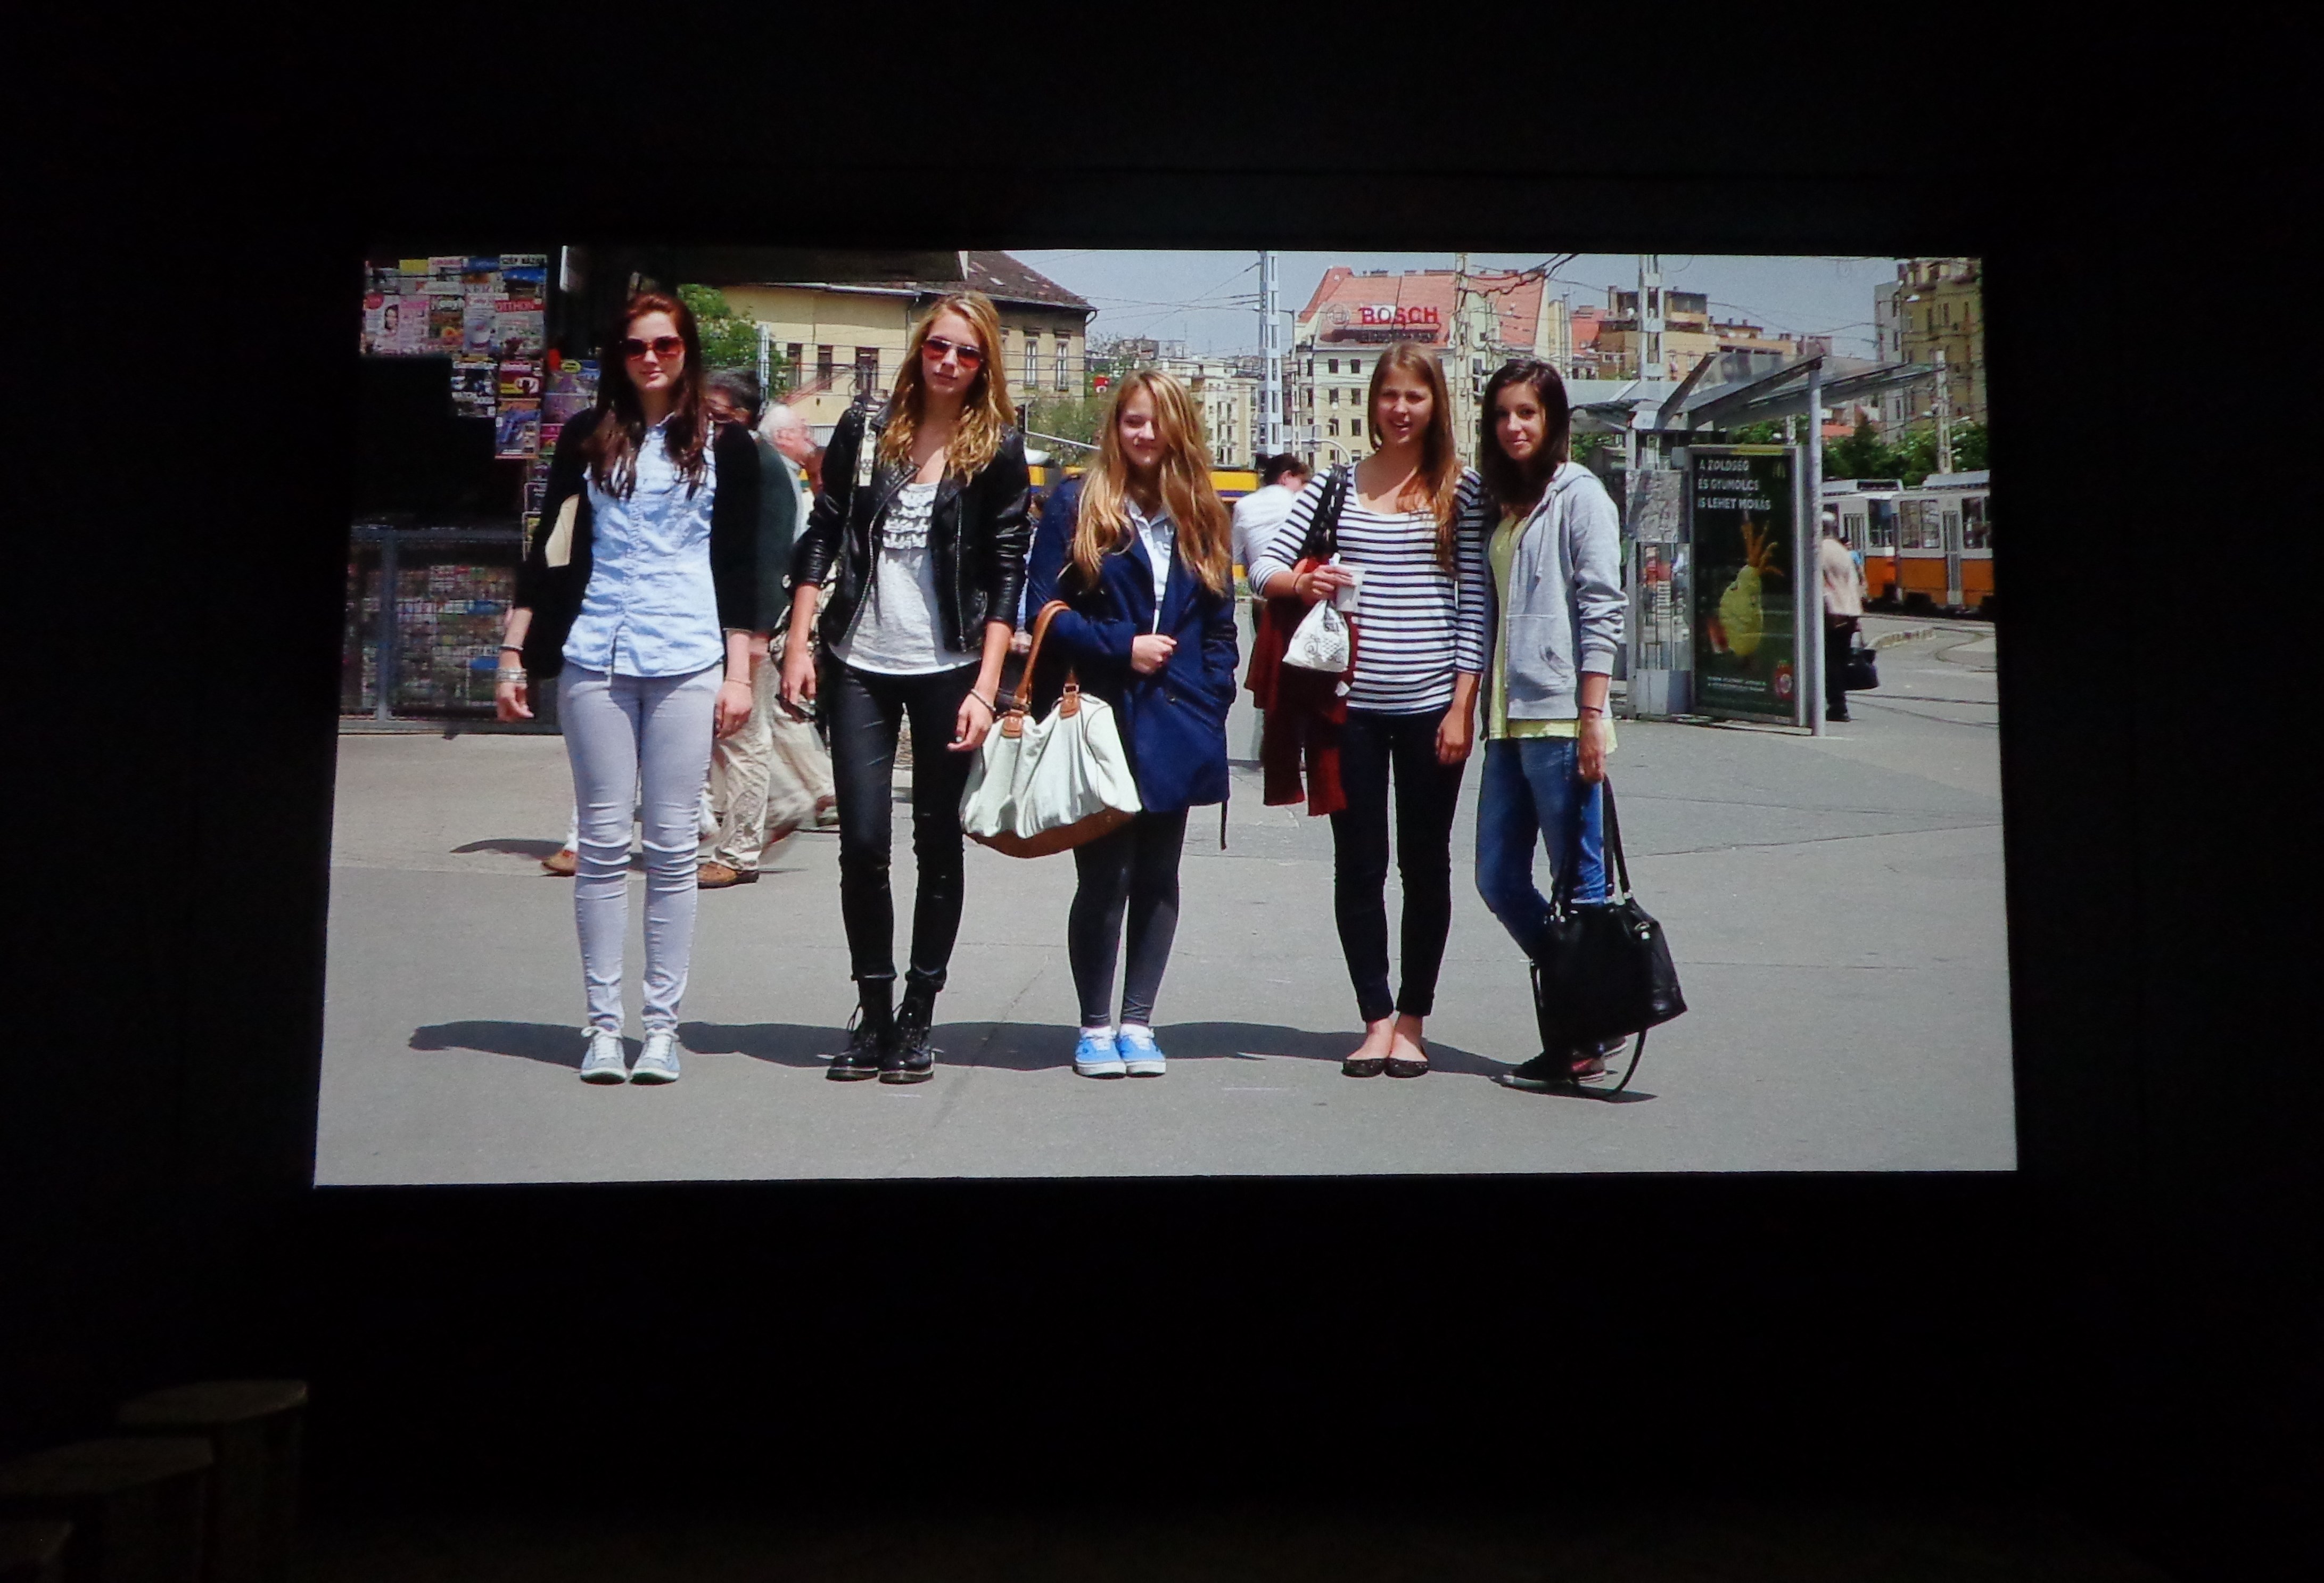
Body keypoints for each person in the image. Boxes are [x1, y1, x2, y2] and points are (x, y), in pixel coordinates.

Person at [496, 292, 762, 1084]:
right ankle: (604, 1026)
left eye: (668, 345)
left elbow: (741, 566)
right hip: (596, 656)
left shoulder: (727, 445)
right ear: (620, 354)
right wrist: (514, 656)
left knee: (675, 847)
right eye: (639, 346)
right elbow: (547, 550)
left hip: (686, 657)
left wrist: (740, 673)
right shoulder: (586, 437)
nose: (652, 357)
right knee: (604, 846)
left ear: (688, 352)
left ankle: (663, 1029)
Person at [780, 292, 1031, 1084]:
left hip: (949, 665)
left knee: (935, 841)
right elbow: (822, 528)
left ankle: (920, 1013)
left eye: (966, 353)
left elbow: (1004, 571)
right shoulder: (866, 429)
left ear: (982, 363)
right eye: (939, 348)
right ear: (919, 352)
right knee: (861, 842)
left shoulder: (996, 446)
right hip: (859, 658)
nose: (951, 363)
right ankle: (875, 1010)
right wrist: (798, 637)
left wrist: (987, 686)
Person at [1247, 342, 1488, 1078]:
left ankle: (1414, 1017)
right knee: (1358, 865)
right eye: (1389, 394)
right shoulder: (1335, 485)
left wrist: (1461, 705)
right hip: (1345, 707)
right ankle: (1375, 1017)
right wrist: (1304, 583)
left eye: (1414, 395)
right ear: (1373, 403)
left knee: (1424, 864)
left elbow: (1475, 603)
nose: (1400, 408)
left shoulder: (1458, 488)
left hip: (1426, 708)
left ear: (1434, 403)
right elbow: (1262, 569)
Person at [1025, 371, 1238, 1079]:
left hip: (1178, 716)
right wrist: (1123, 647)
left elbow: (1218, 623)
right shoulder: (1077, 503)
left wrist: (1214, 694)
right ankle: (1094, 1024)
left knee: (1159, 875)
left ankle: (1138, 1021)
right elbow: (1044, 612)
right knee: (1105, 875)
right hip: (1103, 714)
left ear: (1178, 429)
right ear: (1114, 427)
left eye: (1156, 422)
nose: (1144, 435)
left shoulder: (1201, 511)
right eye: (1132, 421)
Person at [1461, 361, 1629, 1092]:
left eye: (1526, 412)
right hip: (1507, 720)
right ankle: (1591, 1007)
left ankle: (1581, 1034)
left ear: (1552, 418)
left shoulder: (1580, 495)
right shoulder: (1507, 502)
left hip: (1563, 717)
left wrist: (1594, 716)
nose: (1513, 426)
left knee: (1580, 882)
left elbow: (1602, 606)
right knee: (1497, 876)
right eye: (1502, 414)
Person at [695, 370, 805, 887]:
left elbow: (766, 551)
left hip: (745, 622)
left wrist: (758, 631)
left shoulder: (755, 461)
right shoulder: (733, 457)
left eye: (719, 413)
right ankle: (784, 800)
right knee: (729, 733)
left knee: (743, 735)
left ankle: (740, 850)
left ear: (745, 416)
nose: (707, 422)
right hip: (722, 617)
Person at [1231, 454, 1310, 640]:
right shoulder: (1299, 501)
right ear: (1287, 477)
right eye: (1302, 481)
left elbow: (1236, 554)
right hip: (1296, 593)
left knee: (1263, 658)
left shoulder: (1243, 505)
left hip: (1262, 598)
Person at [1819, 507, 1866, 724]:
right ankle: (1840, 704)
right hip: (1849, 613)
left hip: (1831, 614)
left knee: (1829, 661)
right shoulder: (1843, 552)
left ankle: (1835, 705)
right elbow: (1854, 584)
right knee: (1839, 660)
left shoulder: (1818, 550)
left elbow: (1821, 586)